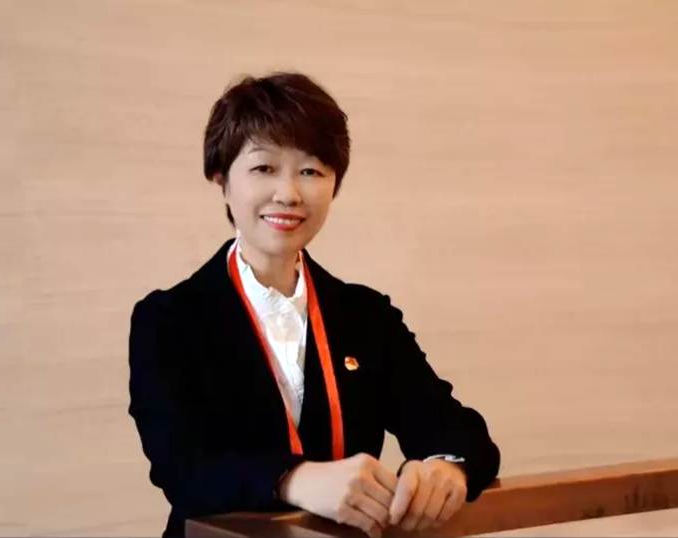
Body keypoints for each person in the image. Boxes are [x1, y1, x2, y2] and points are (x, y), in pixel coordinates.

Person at [128, 72, 501, 538]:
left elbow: (454, 429)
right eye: (264, 168)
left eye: (311, 171)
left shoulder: (366, 315)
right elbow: (181, 466)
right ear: (221, 177)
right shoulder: (169, 319)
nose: (289, 193)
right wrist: (295, 479)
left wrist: (446, 467)